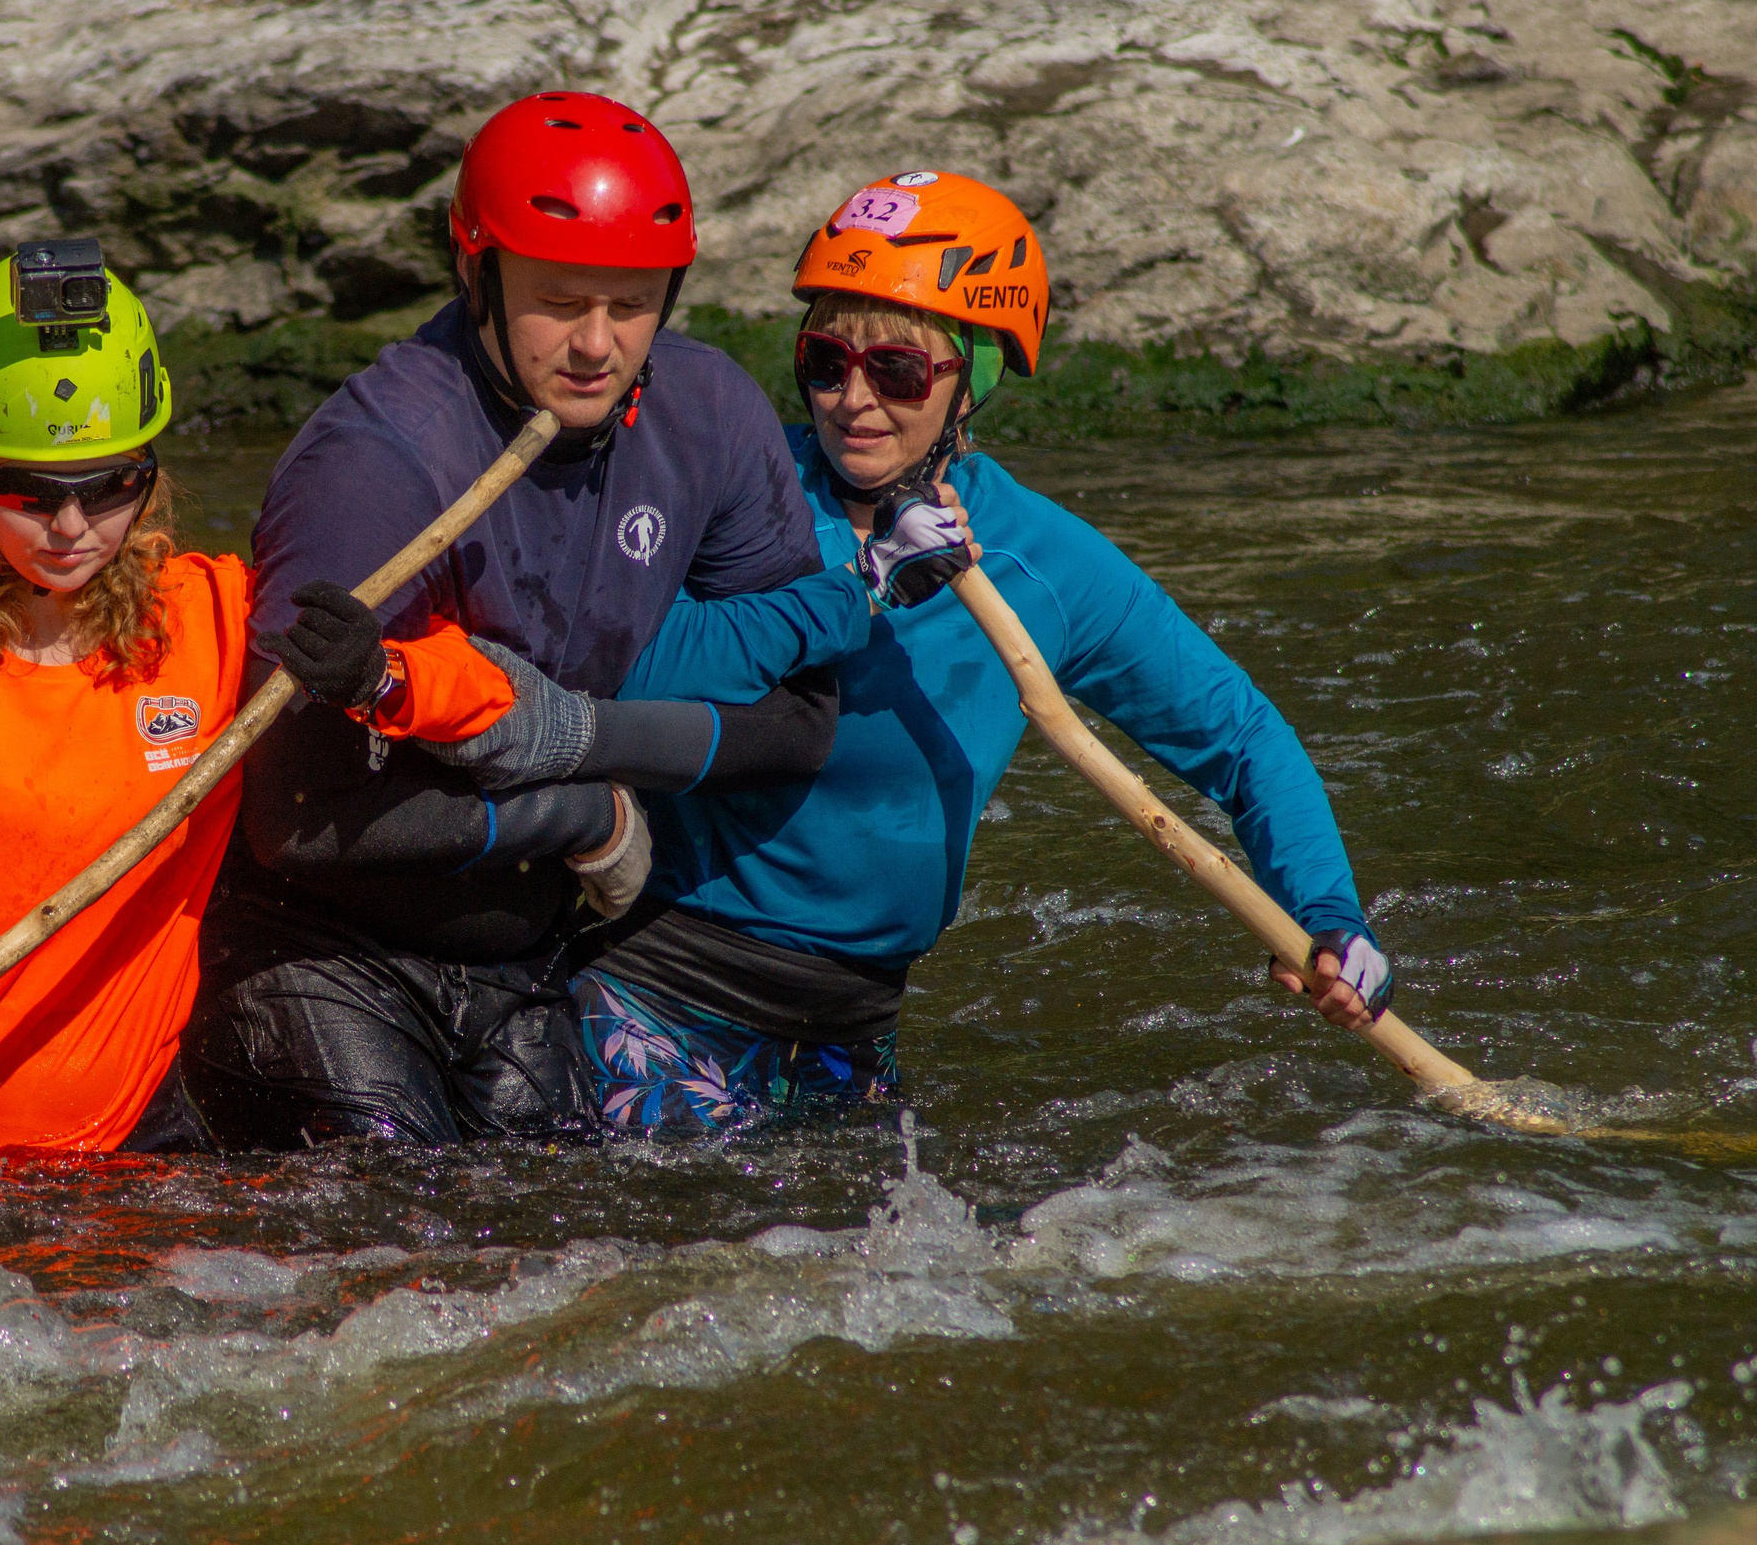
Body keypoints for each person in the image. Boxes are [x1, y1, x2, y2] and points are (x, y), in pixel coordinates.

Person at [567, 171, 1395, 1129]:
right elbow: (613, 669)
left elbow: (1242, 737)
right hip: (653, 988)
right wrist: (867, 579)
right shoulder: (735, 492)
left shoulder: (1040, 564)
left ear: (978, 379)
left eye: (899, 372)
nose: (852, 400)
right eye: (826, 362)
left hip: (854, 1027)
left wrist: (1329, 915)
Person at [0, 247, 525, 1160]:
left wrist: (379, 677)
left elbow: (487, 689)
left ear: (151, 476)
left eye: (112, 487)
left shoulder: (218, 619)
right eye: (32, 494)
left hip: (127, 1150)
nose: (73, 529)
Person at [177, 92, 847, 1150]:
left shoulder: (708, 414)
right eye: (557, 303)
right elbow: (295, 819)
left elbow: (802, 724)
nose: (594, 346)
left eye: (630, 307)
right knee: (402, 1238)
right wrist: (587, 816)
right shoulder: (375, 460)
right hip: (319, 953)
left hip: (521, 962)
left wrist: (580, 741)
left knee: (558, 1249)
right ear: (473, 272)